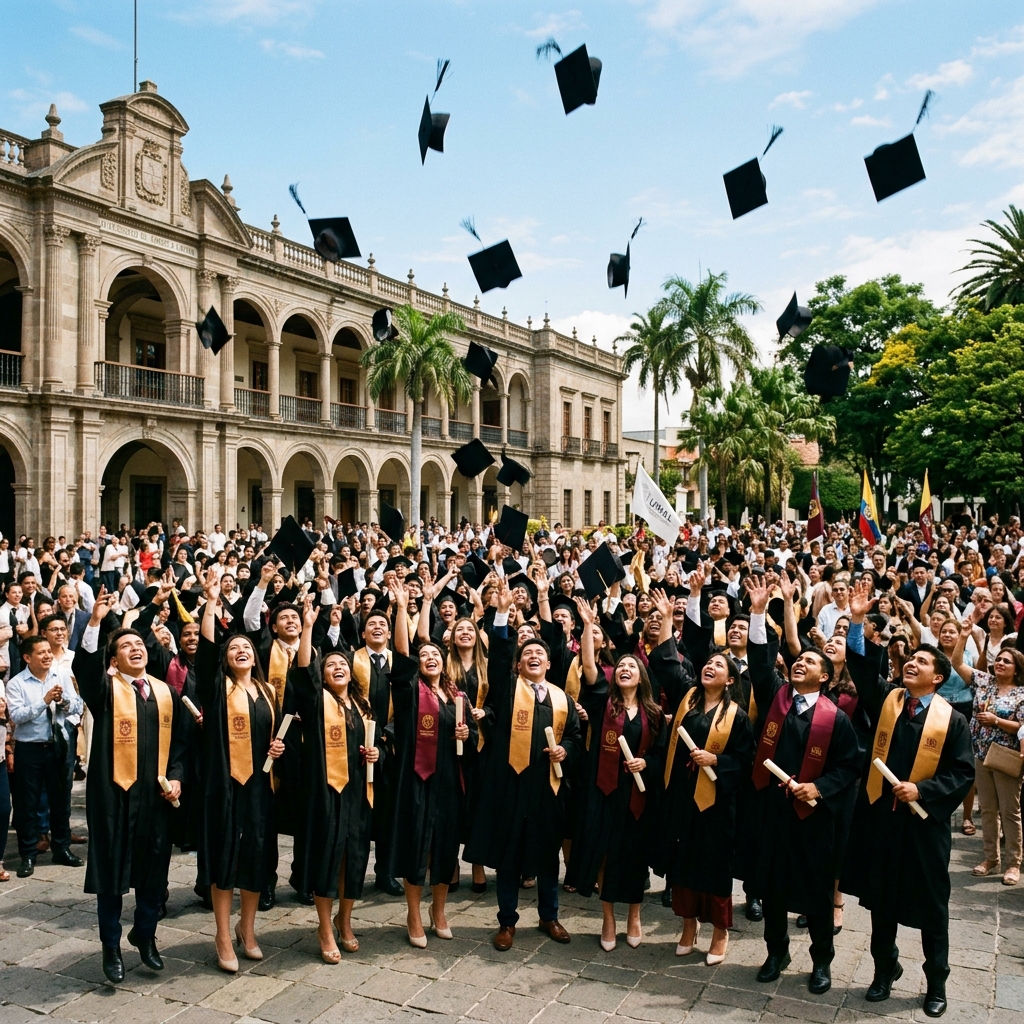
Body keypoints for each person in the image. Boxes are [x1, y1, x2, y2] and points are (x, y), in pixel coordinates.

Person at [842, 578, 975, 1019]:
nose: (911, 663)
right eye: (910, 658)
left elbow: (962, 773)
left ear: (938, 678)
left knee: (932, 909)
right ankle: (884, 970)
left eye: (921, 661)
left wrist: (923, 790)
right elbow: (863, 669)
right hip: (883, 820)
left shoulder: (951, 721)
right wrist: (856, 621)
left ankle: (936, 982)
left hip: (923, 826)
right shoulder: (889, 701)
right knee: (881, 902)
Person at [744, 574, 861, 995]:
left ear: (825, 677)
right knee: (772, 886)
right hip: (772, 811)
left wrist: (819, 788)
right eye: (799, 660)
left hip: (813, 818)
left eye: (812, 662)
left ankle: (821, 960)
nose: (801, 663)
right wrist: (758, 613)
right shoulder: (776, 698)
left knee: (815, 894)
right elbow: (761, 663)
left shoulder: (835, 718)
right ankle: (776, 952)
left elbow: (850, 766)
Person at [72, 591, 185, 983]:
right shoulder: (104, 689)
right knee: (111, 875)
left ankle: (146, 934)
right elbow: (85, 665)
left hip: (155, 798)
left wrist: (176, 777)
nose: (136, 648)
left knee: (154, 873)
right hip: (113, 798)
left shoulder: (165, 692)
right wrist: (94, 622)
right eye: (125, 646)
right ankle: (111, 946)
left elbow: (180, 746)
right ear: (113, 659)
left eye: (139, 643)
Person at [465, 579, 583, 951]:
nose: (533, 656)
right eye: (527, 652)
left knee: (547, 855)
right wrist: (501, 613)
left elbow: (575, 737)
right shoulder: (507, 687)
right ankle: (507, 922)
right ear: (519, 663)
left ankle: (550, 916)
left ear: (548, 663)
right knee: (510, 856)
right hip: (511, 785)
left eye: (539, 654)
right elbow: (499, 657)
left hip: (547, 788)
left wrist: (565, 750)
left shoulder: (562, 699)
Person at [196, 578, 285, 973]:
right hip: (226, 786)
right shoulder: (218, 688)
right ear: (225, 658)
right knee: (225, 857)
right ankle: (221, 933)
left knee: (256, 857)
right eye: (233, 648)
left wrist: (277, 749)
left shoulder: (267, 692)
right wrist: (212, 603)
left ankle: (246, 929)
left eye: (246, 647)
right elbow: (205, 654)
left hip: (260, 787)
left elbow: (273, 735)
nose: (241, 651)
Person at [572, 597, 668, 952]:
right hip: (604, 792)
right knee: (606, 855)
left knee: (634, 856)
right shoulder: (602, 702)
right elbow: (588, 666)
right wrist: (587, 626)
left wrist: (647, 764)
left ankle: (634, 916)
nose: (626, 668)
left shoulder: (653, 713)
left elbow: (660, 753)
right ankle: (609, 918)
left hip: (638, 796)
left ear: (642, 676)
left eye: (632, 665)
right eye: (622, 665)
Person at [291, 597, 382, 962]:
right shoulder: (317, 702)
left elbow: (378, 742)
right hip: (327, 792)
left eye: (343, 663)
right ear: (323, 675)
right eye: (330, 665)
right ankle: (324, 927)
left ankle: (345, 921)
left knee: (353, 858)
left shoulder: (362, 705)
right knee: (327, 858)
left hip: (358, 793)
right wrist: (308, 627)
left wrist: (377, 754)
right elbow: (303, 671)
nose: (338, 667)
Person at [391, 584, 474, 946]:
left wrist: (467, 732)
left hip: (449, 782)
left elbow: (467, 738)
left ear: (444, 660)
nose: (429, 657)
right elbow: (401, 654)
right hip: (417, 781)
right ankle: (413, 914)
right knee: (417, 848)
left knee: (445, 848)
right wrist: (402, 608)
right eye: (423, 654)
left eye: (435, 654)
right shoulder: (410, 690)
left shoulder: (457, 695)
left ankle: (438, 911)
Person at [951, 618, 1024, 886]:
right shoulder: (984, 682)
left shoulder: (1021, 694)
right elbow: (957, 663)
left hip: (1006, 756)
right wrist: (963, 635)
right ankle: (991, 858)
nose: (1000, 663)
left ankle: (1013, 863)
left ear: (1017, 669)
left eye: (1007, 661)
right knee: (989, 810)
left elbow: (1022, 727)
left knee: (1010, 811)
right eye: (999, 659)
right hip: (981, 753)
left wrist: (997, 721)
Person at [6, 633, 85, 877]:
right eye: (41, 652)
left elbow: (78, 705)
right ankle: (28, 855)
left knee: (60, 801)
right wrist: (44, 701)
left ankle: (62, 848)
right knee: (27, 804)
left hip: (57, 746)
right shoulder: (16, 683)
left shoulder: (61, 674)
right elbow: (17, 716)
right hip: (30, 748)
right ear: (27, 658)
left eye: (49, 651)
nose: (47, 656)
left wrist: (63, 702)